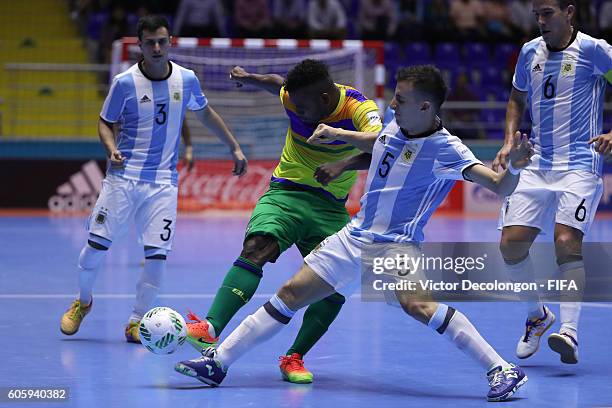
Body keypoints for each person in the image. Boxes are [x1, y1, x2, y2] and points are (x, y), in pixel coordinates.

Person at [175, 64, 533, 402]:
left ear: (425, 107)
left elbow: (500, 187)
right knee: (290, 293)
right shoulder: (397, 124)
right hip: (355, 236)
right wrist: (336, 135)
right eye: (394, 96)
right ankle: (218, 362)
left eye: (401, 100)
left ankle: (501, 368)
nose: (392, 104)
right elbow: (378, 144)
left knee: (420, 306)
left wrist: (515, 164)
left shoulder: (448, 150)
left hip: (397, 247)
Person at [183, 59, 382, 384]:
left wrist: (343, 164)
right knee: (256, 248)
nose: (296, 110)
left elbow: (384, 146)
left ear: (324, 98)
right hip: (285, 194)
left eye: (303, 107)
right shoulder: (294, 96)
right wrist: (249, 76)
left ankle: (294, 357)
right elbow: (277, 83)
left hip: (330, 208)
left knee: (334, 287)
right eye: (294, 103)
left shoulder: (359, 108)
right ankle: (210, 328)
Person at [59, 15, 247, 343]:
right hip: (123, 180)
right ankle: (83, 301)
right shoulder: (124, 83)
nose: (157, 48)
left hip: (163, 183)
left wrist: (234, 147)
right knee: (93, 251)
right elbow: (105, 122)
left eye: (162, 41)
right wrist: (111, 147)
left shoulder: (187, 80)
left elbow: (205, 114)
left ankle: (135, 322)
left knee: (157, 258)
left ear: (170, 41)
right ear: (141, 45)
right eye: (150, 43)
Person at [492, 0, 611, 365]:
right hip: (536, 161)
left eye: (548, 14)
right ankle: (537, 316)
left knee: (565, 240)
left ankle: (570, 333)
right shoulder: (530, 51)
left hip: (580, 162)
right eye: (537, 15)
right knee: (510, 246)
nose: (541, 21)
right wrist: (510, 141)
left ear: (569, 12)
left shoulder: (595, 50)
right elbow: (516, 99)